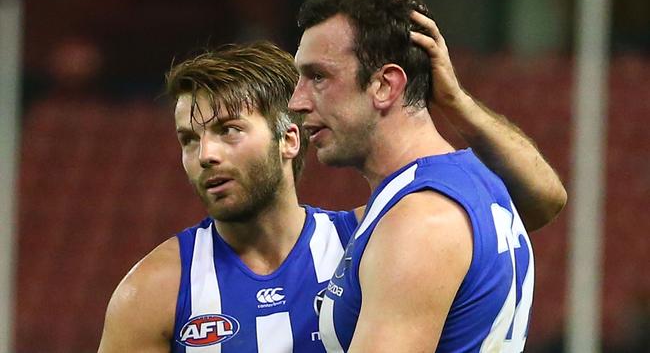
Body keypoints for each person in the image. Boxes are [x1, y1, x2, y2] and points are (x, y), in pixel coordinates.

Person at [98, 38, 564, 352]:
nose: (206, 155)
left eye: (229, 130)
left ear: (289, 139)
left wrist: (457, 101)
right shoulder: (153, 291)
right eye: (189, 139)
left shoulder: (374, 238)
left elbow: (542, 199)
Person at [288, 0, 564, 352]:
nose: (297, 100)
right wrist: (455, 102)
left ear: (385, 85)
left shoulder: (419, 221)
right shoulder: (472, 180)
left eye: (318, 77)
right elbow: (549, 197)